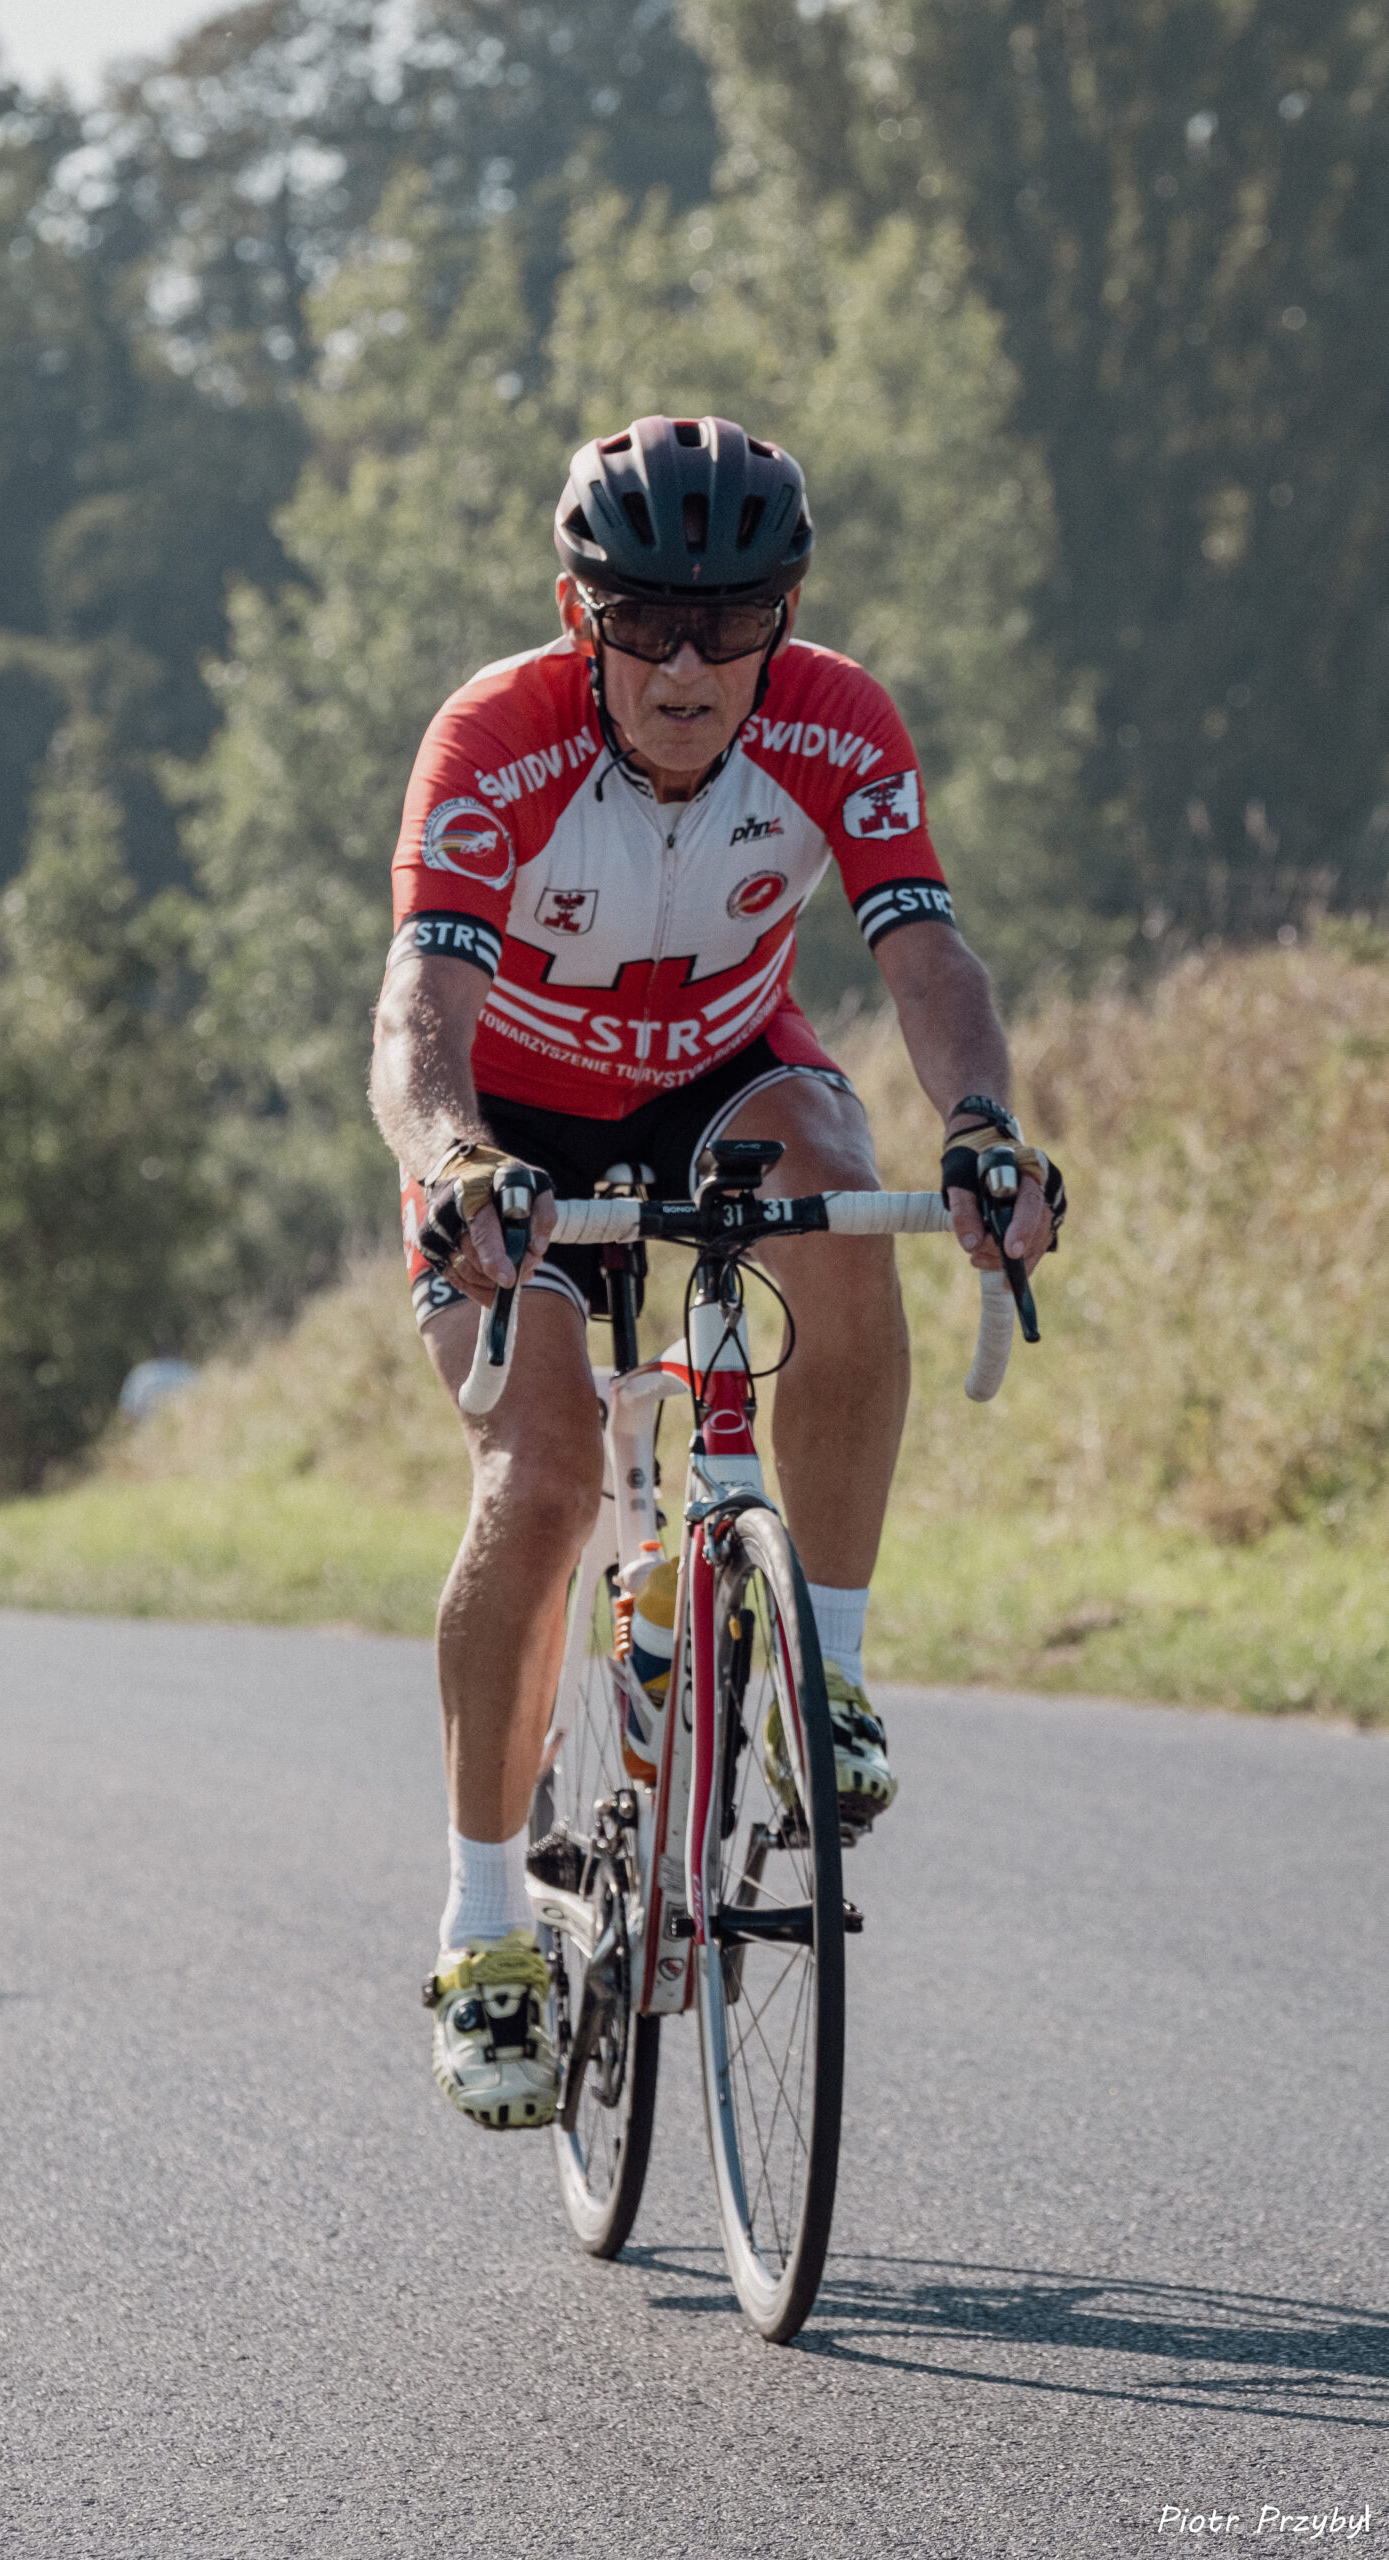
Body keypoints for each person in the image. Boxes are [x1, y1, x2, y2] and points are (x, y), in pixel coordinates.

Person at [370, 416, 1062, 2132]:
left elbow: (924, 951)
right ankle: (481, 1927)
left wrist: (983, 1127)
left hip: (720, 1076)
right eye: (648, 624)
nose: (688, 666)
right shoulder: (496, 738)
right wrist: (451, 1163)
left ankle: (822, 1677)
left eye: (731, 623)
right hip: (513, 1123)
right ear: (579, 614)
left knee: (842, 1184)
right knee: (540, 1479)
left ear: (785, 616)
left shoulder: (837, 719)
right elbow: (417, 1019)